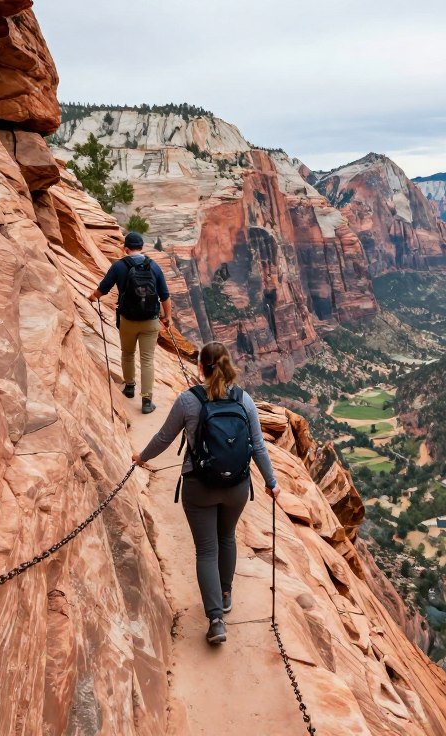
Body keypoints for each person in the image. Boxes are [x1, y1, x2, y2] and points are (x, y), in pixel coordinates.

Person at [132, 342, 280, 645]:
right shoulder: (244, 400)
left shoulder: (188, 401)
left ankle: (216, 619)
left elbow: (163, 437)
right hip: (237, 487)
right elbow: (258, 446)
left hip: (199, 487)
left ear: (201, 367)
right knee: (227, 538)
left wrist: (142, 457)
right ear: (227, 365)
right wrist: (271, 482)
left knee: (206, 550)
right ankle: (225, 595)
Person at [89, 231, 172, 414]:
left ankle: (129, 387)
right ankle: (147, 401)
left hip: (127, 320)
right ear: (141, 247)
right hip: (150, 321)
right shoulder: (154, 267)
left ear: (125, 248)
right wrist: (168, 317)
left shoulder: (119, 266)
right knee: (147, 360)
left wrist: (92, 298)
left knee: (127, 353)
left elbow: (103, 288)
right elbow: (165, 295)